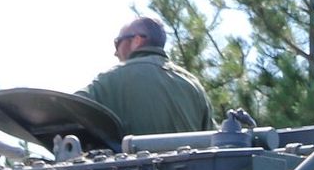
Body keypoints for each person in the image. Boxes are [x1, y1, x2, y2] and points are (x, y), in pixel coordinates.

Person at [79, 14, 214, 137]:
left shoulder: (109, 81)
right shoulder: (194, 85)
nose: (116, 52)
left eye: (117, 42)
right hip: (193, 165)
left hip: (130, 164)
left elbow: (67, 110)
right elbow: (215, 141)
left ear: (137, 40)